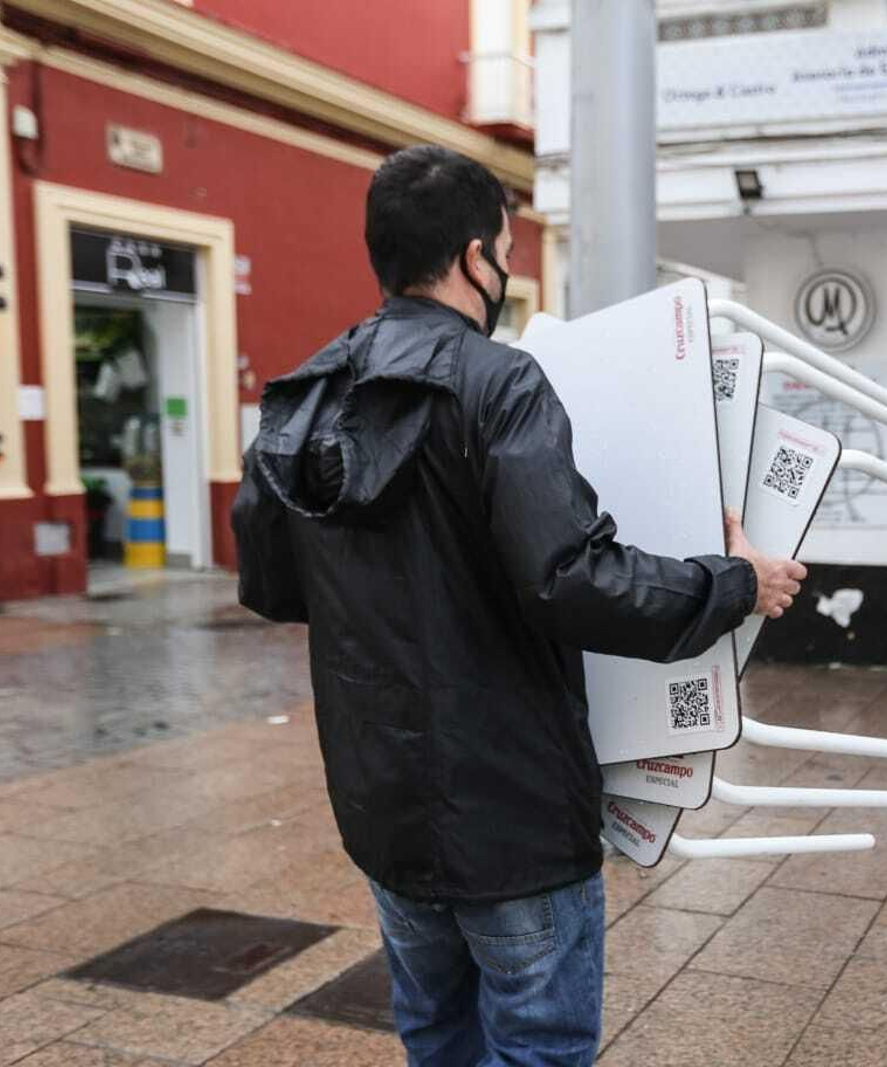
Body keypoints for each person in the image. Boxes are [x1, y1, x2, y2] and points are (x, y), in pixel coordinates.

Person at [231, 144, 807, 1066]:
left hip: (382, 810)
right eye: (503, 249)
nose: (503, 267)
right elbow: (572, 578)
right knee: (539, 1048)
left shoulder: (305, 393)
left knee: (435, 1035)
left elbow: (268, 581)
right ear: (474, 258)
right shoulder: (499, 383)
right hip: (514, 820)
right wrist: (735, 582)